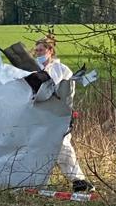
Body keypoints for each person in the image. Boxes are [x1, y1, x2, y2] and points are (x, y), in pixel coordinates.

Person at [34, 37, 94, 193]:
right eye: (37, 50)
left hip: (59, 115)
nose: (38, 53)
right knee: (38, 147)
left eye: (41, 50)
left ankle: (78, 180)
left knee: (63, 146)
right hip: (37, 115)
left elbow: (68, 91)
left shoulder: (62, 69)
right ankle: (38, 182)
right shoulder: (33, 68)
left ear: (50, 51)